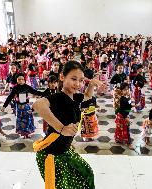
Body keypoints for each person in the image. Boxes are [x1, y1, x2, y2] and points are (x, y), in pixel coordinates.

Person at [32, 61, 100, 189]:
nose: (78, 84)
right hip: (51, 154)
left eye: (81, 80)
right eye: (73, 79)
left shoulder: (74, 97)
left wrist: (91, 85)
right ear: (62, 77)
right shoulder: (58, 97)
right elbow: (37, 104)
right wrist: (61, 128)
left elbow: (86, 96)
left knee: (87, 173)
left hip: (65, 151)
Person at [1, 73, 44, 138]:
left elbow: (35, 92)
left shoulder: (27, 87)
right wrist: (4, 106)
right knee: (20, 120)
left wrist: (44, 94)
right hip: (18, 107)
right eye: (19, 79)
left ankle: (27, 132)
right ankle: (23, 133)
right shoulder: (15, 88)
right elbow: (9, 97)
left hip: (26, 106)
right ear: (17, 80)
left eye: (22, 79)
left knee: (27, 119)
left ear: (24, 80)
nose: (21, 81)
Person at [113, 82, 135, 149]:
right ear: (121, 90)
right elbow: (121, 109)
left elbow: (128, 105)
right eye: (125, 89)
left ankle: (120, 139)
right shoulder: (121, 98)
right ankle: (129, 143)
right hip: (122, 116)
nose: (127, 91)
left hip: (125, 114)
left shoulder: (126, 96)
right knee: (126, 129)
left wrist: (133, 105)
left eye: (128, 89)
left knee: (122, 128)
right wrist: (126, 118)